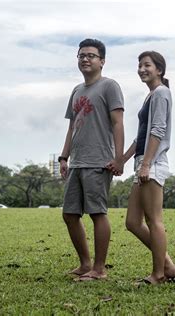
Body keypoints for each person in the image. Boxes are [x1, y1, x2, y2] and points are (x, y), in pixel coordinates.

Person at [109, 51, 175, 285]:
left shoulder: (161, 93)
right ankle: (169, 266)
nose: (141, 69)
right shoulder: (151, 96)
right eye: (139, 65)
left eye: (147, 65)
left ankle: (159, 274)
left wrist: (147, 164)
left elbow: (157, 131)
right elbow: (140, 137)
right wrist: (122, 159)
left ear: (159, 70)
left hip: (153, 163)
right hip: (143, 162)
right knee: (132, 222)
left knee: (154, 221)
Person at [59, 38, 124, 282]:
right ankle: (85, 263)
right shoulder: (76, 90)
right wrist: (64, 157)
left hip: (99, 160)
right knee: (69, 214)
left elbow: (118, 123)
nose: (85, 59)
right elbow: (71, 128)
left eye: (91, 55)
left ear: (102, 61)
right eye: (81, 55)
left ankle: (99, 269)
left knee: (97, 213)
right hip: (76, 161)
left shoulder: (110, 86)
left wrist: (119, 159)